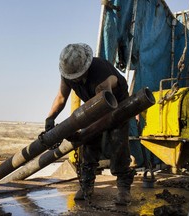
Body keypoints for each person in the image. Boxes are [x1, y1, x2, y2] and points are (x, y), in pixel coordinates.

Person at [45, 43, 135, 205]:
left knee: (118, 142)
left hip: (117, 104)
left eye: (77, 76)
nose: (75, 80)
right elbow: (61, 98)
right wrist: (50, 118)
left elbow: (105, 114)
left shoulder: (102, 75)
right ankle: (87, 186)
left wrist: (83, 133)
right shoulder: (68, 74)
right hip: (95, 104)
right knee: (89, 145)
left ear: (86, 67)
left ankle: (123, 188)